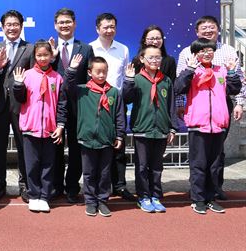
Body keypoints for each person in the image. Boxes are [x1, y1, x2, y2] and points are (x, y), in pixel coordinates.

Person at [176, 15, 245, 200]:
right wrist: (181, 106)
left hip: (222, 107)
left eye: (211, 27)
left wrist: (239, 102)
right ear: (197, 32)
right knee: (199, 156)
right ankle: (197, 190)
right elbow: (180, 83)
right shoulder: (187, 53)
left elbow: (237, 80)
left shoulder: (229, 51)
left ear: (218, 29)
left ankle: (215, 188)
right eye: (204, 28)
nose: (208, 31)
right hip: (197, 109)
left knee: (217, 153)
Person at [64, 54, 126, 217]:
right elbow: (67, 86)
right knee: (89, 173)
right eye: (97, 72)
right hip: (87, 139)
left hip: (106, 140)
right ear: (90, 72)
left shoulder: (114, 92)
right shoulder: (82, 90)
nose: (101, 75)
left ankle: (103, 201)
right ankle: (90, 201)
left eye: (104, 72)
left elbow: (119, 115)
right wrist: (72, 70)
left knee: (104, 173)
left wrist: (119, 135)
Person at [13, 40, 67, 213]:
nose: (43, 58)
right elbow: (20, 99)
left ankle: (45, 196)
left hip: (51, 130)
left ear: (52, 56)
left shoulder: (57, 78)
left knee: (48, 164)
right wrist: (18, 85)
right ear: (34, 57)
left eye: (46, 55)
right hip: (31, 128)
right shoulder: (27, 75)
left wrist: (60, 125)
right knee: (32, 164)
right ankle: (33, 195)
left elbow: (61, 104)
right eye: (39, 55)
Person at [123, 45, 177, 213]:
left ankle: (155, 196)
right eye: (151, 58)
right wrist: (129, 80)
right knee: (142, 166)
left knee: (156, 166)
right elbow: (126, 98)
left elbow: (171, 106)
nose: (155, 61)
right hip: (142, 129)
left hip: (161, 129)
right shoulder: (137, 80)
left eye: (158, 57)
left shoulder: (166, 80)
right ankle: (143, 196)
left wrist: (172, 128)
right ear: (142, 59)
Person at [49, 8, 94, 203]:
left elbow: (88, 78)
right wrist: (51, 58)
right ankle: (56, 185)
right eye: (61, 22)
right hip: (53, 105)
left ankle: (72, 188)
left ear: (74, 24)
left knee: (76, 148)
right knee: (54, 147)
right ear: (55, 25)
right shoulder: (48, 48)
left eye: (68, 22)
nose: (64, 25)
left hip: (78, 105)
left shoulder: (85, 49)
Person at [0, 9, 33, 202]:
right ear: (3, 27)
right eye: (9, 24)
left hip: (21, 105)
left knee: (23, 147)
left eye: (16, 24)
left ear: (21, 26)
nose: (12, 28)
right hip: (0, 104)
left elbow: (31, 78)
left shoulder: (29, 49)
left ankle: (24, 185)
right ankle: (0, 185)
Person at [89, 12, 134, 202]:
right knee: (98, 146)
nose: (109, 30)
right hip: (96, 105)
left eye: (112, 27)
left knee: (119, 146)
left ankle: (120, 185)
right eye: (105, 27)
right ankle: (99, 187)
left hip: (117, 104)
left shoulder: (123, 49)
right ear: (97, 29)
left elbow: (124, 78)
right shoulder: (89, 48)